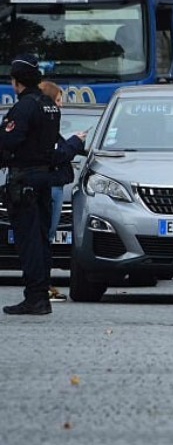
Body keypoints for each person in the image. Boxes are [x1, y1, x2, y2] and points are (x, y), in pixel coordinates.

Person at [1, 56, 62, 316]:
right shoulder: (49, 104)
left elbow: (8, 142)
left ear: (16, 82)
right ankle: (41, 295)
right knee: (41, 239)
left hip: (25, 180)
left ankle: (35, 298)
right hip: (44, 180)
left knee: (30, 243)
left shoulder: (24, 108)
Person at [38, 81, 87, 300]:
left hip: (53, 186)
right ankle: (42, 286)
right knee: (44, 237)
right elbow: (56, 156)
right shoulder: (45, 126)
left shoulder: (46, 125)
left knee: (44, 237)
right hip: (51, 187)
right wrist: (75, 141)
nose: (61, 107)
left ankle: (43, 285)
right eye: (59, 101)